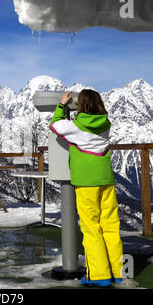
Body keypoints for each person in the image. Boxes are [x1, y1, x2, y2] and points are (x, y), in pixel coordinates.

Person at [49, 89, 124, 287]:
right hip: (106, 179)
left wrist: (62, 105)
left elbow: (55, 125)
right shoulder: (105, 124)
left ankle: (99, 276)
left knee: (91, 229)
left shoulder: (76, 127)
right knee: (110, 226)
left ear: (81, 106)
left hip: (86, 182)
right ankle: (117, 271)